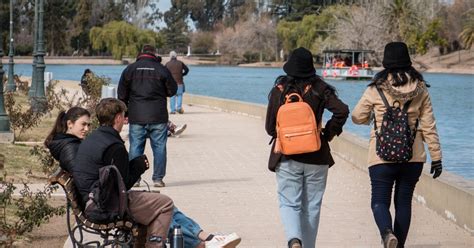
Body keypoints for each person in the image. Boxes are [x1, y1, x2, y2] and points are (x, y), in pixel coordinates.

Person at [46, 104, 240, 248]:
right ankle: (201, 240)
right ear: (119, 118)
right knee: (163, 204)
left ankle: (204, 239)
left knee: (160, 203)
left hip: (99, 199)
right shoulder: (81, 148)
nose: (87, 129)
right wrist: (137, 166)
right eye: (83, 124)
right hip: (102, 203)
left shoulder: (76, 143)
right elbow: (121, 184)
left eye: (89, 124)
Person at [351, 42, 442, 248]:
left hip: (380, 157)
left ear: (386, 63)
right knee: (403, 203)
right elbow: (429, 126)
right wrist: (436, 157)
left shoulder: (375, 89)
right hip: (413, 157)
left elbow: (357, 116)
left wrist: (373, 120)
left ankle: (386, 233)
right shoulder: (421, 90)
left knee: (379, 201)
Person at [265, 47, 349, 248]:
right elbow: (342, 111)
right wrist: (326, 135)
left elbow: (270, 129)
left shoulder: (280, 90)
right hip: (317, 156)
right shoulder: (320, 88)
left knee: (289, 203)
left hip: (286, 156)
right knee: (312, 207)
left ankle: (294, 240)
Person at [118, 44, 177, 187]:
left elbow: (122, 95)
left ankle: (135, 179)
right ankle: (158, 179)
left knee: (135, 148)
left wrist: (125, 114)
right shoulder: (161, 69)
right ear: (154, 53)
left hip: (137, 116)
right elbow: (172, 90)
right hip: (158, 116)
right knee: (159, 148)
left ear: (141, 53)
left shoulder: (130, 70)